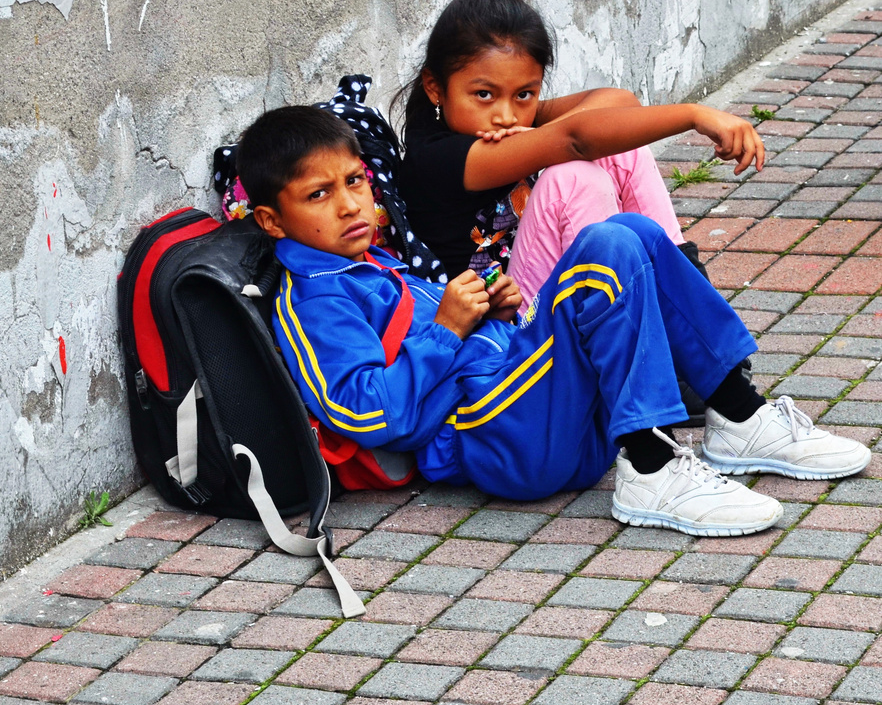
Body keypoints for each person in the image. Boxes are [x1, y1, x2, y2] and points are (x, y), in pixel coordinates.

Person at [236, 105, 870, 535]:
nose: (351, 204)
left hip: (528, 410)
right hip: (500, 440)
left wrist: (495, 312)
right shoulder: (313, 299)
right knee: (606, 250)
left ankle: (738, 414)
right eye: (320, 194)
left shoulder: (369, 260)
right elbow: (369, 417)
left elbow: (449, 338)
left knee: (635, 232)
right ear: (271, 219)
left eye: (355, 181)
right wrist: (448, 331)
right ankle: (650, 468)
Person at [396, 0, 764, 307]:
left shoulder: (507, 123)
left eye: (524, 94)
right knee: (571, 179)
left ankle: (693, 310)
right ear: (435, 87)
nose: (506, 116)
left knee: (623, 149)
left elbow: (620, 102)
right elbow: (576, 140)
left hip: (539, 289)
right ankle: (624, 323)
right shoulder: (437, 158)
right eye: (484, 95)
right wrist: (694, 115)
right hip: (506, 326)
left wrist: (541, 131)